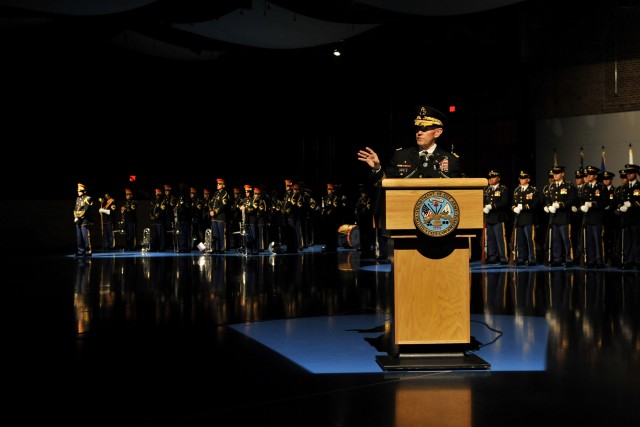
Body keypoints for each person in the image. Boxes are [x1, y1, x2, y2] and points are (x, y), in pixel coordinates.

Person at [357, 104, 462, 181]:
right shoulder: (401, 156)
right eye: (417, 128)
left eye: (425, 128)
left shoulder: (451, 160)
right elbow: (385, 184)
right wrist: (377, 169)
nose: (419, 132)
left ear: (437, 133)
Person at [544, 165, 578, 267]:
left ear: (562, 174)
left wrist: (561, 205)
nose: (555, 175)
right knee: (556, 240)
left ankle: (569, 259)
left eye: (557, 173)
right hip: (554, 217)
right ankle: (557, 259)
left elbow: (572, 199)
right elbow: (548, 199)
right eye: (554, 173)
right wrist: (549, 206)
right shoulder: (551, 186)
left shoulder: (568, 185)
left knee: (566, 239)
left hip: (564, 216)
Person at [577, 165, 606, 268]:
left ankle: (599, 260)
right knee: (589, 241)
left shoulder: (601, 187)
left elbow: (604, 202)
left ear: (595, 176)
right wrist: (581, 207)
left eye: (590, 174)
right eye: (587, 175)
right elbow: (580, 201)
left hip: (597, 217)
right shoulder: (585, 187)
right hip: (587, 218)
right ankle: (591, 260)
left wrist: (592, 204)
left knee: (598, 240)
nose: (588, 176)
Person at [510, 171, 540, 266]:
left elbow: (535, 203)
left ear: (528, 179)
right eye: (521, 178)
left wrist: (523, 207)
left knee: (530, 240)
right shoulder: (517, 190)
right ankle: (521, 258)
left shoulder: (532, 191)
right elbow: (513, 203)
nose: (522, 180)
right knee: (520, 240)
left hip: (528, 218)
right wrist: (514, 208)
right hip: (519, 219)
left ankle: (532, 258)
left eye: (524, 178)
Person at [615, 164, 640, 269]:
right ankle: (628, 261)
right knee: (627, 241)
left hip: (636, 218)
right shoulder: (624, 188)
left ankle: (638, 261)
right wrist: (620, 207)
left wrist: (632, 204)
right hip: (626, 218)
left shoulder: (639, 186)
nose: (628, 175)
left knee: (637, 241)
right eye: (627, 173)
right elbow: (619, 201)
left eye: (631, 173)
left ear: (635, 174)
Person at [483, 170, 510, 265]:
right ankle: (492, 256)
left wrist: (492, 206)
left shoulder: (503, 189)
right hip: (489, 217)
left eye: (493, 177)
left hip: (498, 216)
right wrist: (484, 207)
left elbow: (504, 202)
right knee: (490, 238)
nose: (491, 179)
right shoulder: (486, 189)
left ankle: (503, 257)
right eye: (490, 177)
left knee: (500, 238)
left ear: (498, 178)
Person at [209, 178, 230, 253]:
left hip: (220, 217)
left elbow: (223, 206)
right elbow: (211, 203)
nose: (218, 185)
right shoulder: (215, 193)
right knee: (215, 234)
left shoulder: (225, 194)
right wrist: (211, 210)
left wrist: (214, 211)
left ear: (223, 185)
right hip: (214, 217)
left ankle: (222, 248)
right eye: (217, 184)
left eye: (219, 184)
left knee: (221, 234)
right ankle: (215, 248)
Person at [73, 183, 94, 257]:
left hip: (85, 220)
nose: (79, 192)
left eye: (80, 191)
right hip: (78, 220)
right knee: (79, 236)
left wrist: (78, 217)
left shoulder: (88, 198)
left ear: (84, 191)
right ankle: (80, 251)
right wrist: (75, 216)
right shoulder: (78, 199)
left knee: (85, 236)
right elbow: (76, 209)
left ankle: (88, 250)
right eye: (78, 191)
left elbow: (86, 209)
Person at [354, 183, 374, 257]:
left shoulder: (369, 200)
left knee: (368, 236)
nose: (362, 194)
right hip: (361, 220)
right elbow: (356, 209)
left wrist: (363, 206)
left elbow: (368, 209)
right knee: (362, 236)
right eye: (362, 193)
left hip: (367, 220)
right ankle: (363, 249)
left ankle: (367, 250)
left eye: (363, 192)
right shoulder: (360, 200)